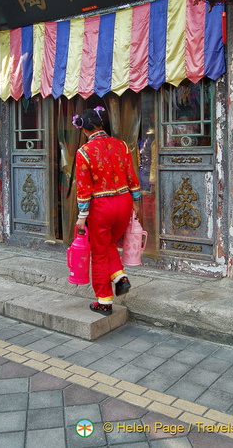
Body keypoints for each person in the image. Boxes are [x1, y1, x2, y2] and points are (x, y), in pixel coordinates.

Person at [73, 106, 141, 315]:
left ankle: (104, 301)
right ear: (102, 123)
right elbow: (131, 175)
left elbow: (84, 189)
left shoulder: (84, 152)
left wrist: (82, 217)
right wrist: (136, 200)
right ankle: (120, 276)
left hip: (102, 208)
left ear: (84, 130)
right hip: (124, 202)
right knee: (108, 243)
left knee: (99, 253)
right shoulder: (121, 145)